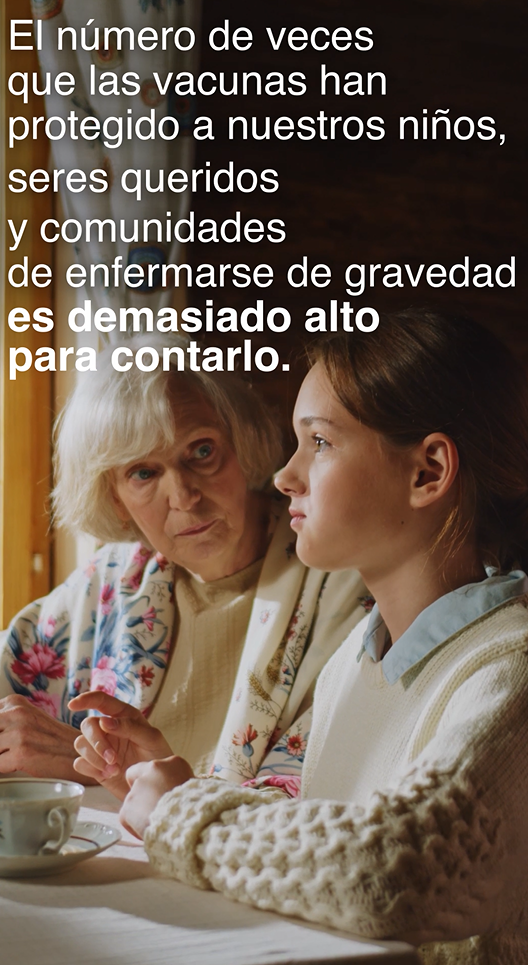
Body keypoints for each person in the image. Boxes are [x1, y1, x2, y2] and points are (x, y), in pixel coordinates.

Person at [110, 312, 528, 964]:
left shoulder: (509, 672)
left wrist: (185, 811)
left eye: (320, 443)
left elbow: (394, 869)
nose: (284, 475)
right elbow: (321, 857)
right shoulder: (349, 665)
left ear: (428, 471)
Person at [0, 336, 366, 789]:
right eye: (144, 473)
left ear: (241, 441)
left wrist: (112, 776)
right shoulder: (115, 577)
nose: (184, 497)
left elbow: (321, 797)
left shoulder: (341, 579)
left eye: (201, 451)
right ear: (115, 499)